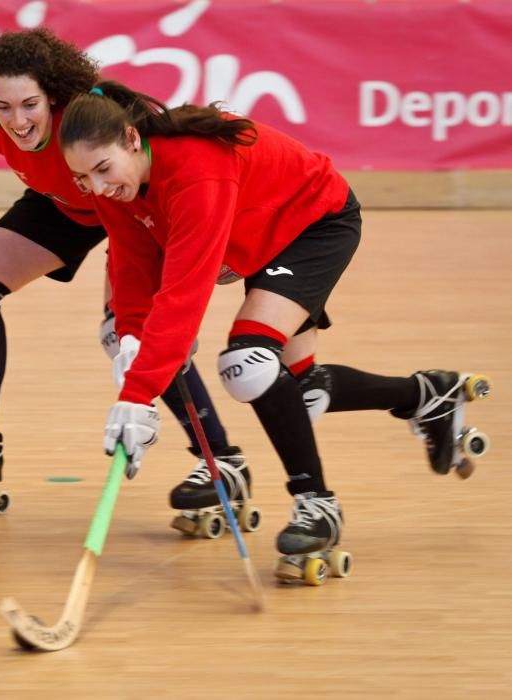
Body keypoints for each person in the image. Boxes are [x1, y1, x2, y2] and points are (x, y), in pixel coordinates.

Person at [59, 80, 490, 582]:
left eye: (103, 169)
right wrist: (132, 342)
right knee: (301, 389)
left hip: (314, 223)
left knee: (246, 364)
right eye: (82, 177)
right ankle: (428, 395)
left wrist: (138, 394)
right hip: (258, 236)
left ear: (132, 140)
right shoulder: (114, 188)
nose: (97, 186)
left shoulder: (196, 173)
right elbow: (134, 272)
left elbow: (184, 295)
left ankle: (317, 506)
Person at [0, 29, 253, 524]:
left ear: (53, 96)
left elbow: (153, 166)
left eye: (30, 105)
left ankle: (222, 463)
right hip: (61, 208)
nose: (17, 121)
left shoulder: (88, 120)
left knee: (132, 336)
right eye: (4, 108)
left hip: (125, 205)